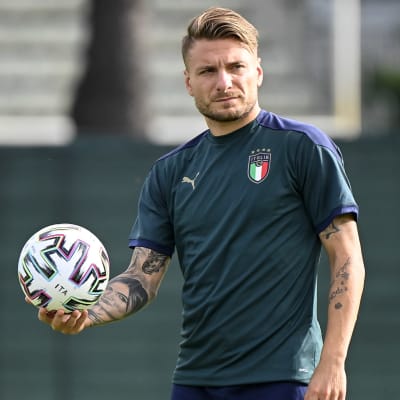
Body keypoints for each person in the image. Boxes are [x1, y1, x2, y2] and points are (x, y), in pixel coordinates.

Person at [37, 7, 365, 400]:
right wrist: (84, 313)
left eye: (236, 67)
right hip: (195, 380)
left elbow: (346, 255)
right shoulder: (170, 172)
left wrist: (333, 361)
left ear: (258, 72)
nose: (224, 81)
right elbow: (142, 277)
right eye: (208, 71)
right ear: (188, 82)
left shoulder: (303, 148)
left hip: (282, 378)